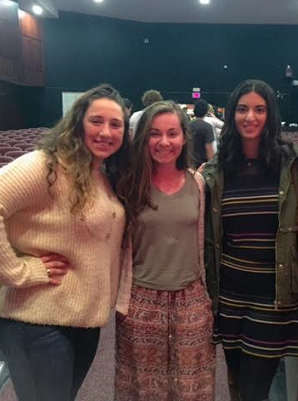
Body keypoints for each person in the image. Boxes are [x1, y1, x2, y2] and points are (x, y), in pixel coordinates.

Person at [0, 84, 131, 401]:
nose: (106, 131)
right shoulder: (45, 165)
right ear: (77, 123)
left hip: (81, 321)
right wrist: (17, 271)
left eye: (115, 124)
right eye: (96, 121)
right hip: (34, 321)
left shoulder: (101, 174)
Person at [202, 79, 298, 401]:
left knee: (254, 390)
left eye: (259, 109)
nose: (250, 117)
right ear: (231, 114)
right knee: (238, 385)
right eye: (242, 109)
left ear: (271, 115)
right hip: (230, 296)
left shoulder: (293, 163)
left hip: (273, 297)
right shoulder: (217, 169)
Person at [114, 101, 215, 401]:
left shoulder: (198, 183)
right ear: (143, 138)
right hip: (141, 302)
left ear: (184, 137)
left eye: (172, 133)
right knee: (143, 388)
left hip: (191, 301)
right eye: (155, 134)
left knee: (191, 388)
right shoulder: (128, 185)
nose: (164, 142)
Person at [190, 99, 215, 167]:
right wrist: (212, 166)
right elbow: (208, 148)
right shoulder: (207, 127)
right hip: (202, 165)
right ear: (206, 111)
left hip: (189, 163)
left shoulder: (188, 125)